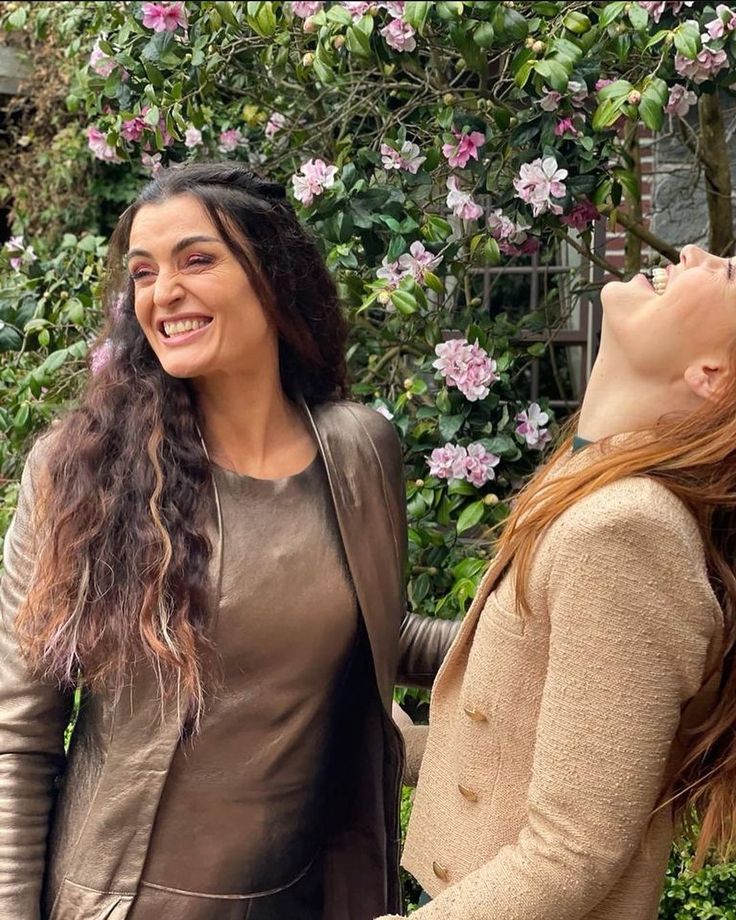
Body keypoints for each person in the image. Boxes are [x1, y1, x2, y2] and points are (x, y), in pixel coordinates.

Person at [0, 162, 457, 920]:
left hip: (310, 895)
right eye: (143, 273)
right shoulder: (84, 472)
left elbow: (377, 629)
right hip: (123, 905)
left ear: (273, 276)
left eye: (196, 259)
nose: (162, 293)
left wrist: (536, 633)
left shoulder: (360, 448)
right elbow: (18, 735)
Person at [379, 245, 736, 920]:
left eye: (729, 272)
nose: (695, 251)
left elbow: (575, 849)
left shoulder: (628, 530)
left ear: (710, 374)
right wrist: (386, 746)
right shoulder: (586, 481)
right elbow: (520, 737)